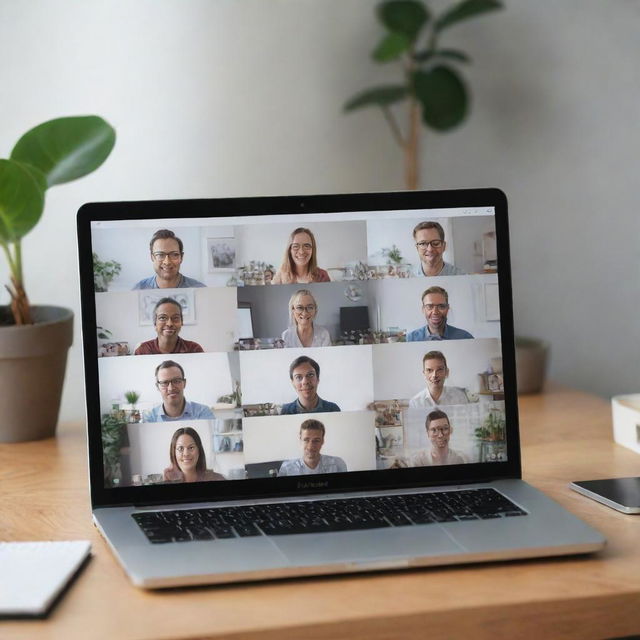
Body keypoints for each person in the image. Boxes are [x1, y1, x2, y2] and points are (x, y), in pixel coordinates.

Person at [142, 360, 214, 422]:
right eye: (164, 383)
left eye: (176, 381)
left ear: (184, 383)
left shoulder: (202, 412)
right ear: (157, 387)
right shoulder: (150, 418)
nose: (171, 388)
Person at [133, 229, 206, 289]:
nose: (167, 262)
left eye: (174, 254)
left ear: (181, 257)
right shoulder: (139, 289)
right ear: (152, 257)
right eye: (160, 255)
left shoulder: (200, 289)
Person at [278, 419, 347, 476]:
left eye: (316, 441)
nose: (310, 446)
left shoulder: (338, 464)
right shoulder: (287, 468)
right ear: (300, 440)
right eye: (306, 440)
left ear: (322, 441)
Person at [135, 298, 204, 355]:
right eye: (162, 318)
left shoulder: (194, 349)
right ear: (155, 323)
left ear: (181, 322)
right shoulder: (143, 351)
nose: (169, 324)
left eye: (175, 318)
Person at [407, 286, 473, 341]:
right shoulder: (410, 339)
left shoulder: (465, 337)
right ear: (423, 310)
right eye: (430, 306)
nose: (435, 312)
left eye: (441, 306)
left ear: (447, 308)